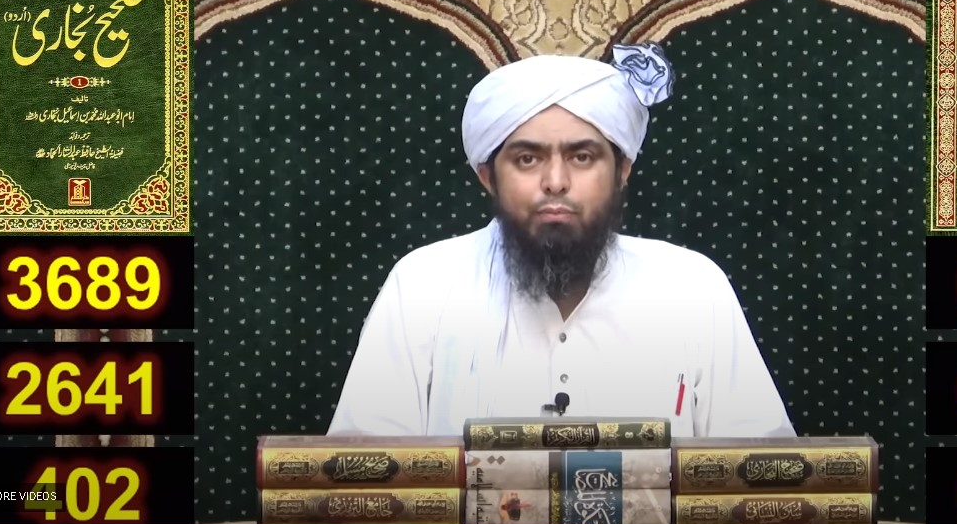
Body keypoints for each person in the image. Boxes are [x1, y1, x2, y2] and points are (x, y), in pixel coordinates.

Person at [328, 44, 795, 439]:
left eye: (582, 156)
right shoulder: (422, 286)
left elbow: (760, 477)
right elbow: (365, 479)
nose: (555, 181)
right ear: (488, 176)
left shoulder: (692, 288)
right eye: (527, 159)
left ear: (623, 169)